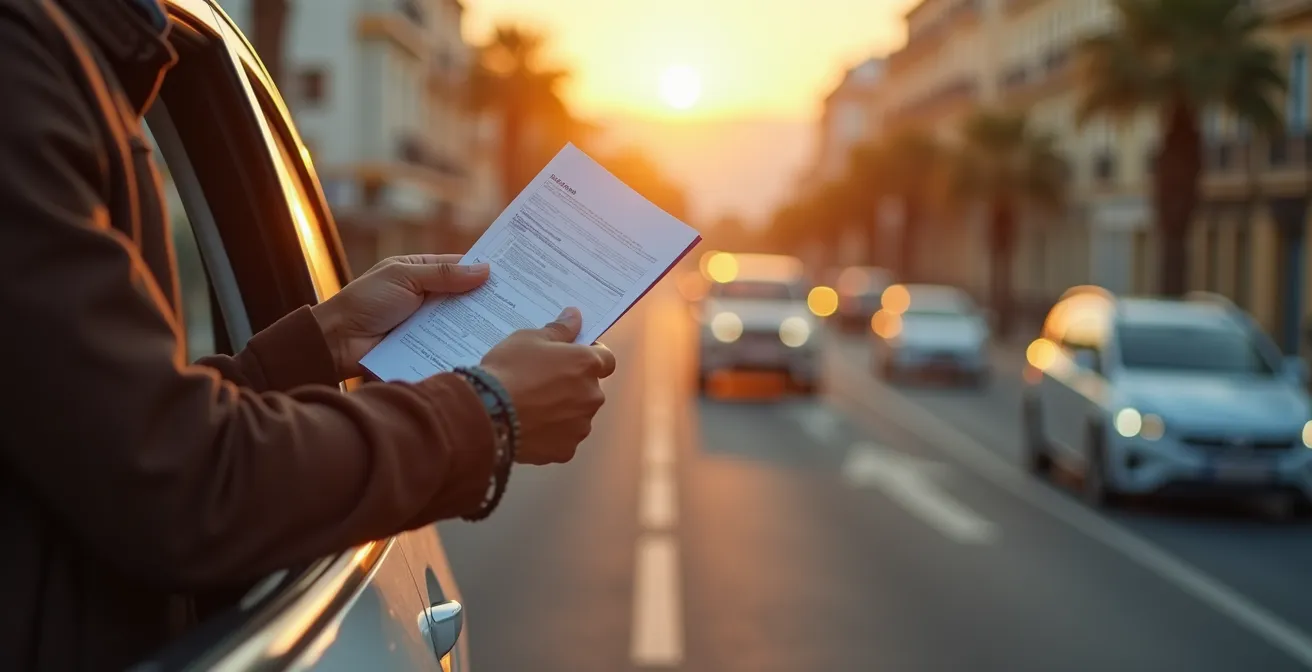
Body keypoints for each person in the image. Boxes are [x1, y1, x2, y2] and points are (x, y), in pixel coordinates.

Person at [0, 0, 615, 668]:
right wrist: (485, 411)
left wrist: (323, 340)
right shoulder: (25, 58)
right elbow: (174, 482)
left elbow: (93, 426)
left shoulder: (72, 47)